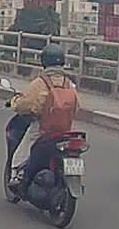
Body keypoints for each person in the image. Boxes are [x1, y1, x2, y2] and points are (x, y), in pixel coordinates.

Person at [7, 43, 80, 195]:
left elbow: (25, 105)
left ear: (44, 61)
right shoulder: (69, 84)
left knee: (22, 150)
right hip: (65, 130)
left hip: (43, 129)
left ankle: (16, 175)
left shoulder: (40, 83)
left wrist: (14, 103)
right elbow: (77, 107)